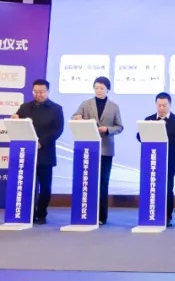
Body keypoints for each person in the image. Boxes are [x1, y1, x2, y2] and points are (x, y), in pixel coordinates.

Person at [71, 76, 123, 225]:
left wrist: (107, 129)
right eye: (96, 88)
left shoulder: (113, 106)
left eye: (101, 88)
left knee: (103, 183)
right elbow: (74, 117)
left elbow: (119, 127)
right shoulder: (86, 104)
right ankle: (86, 213)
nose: (98, 91)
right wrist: (78, 118)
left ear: (108, 89)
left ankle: (101, 216)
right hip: (88, 149)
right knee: (87, 182)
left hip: (106, 149)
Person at [12, 79, 64, 225]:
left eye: (41, 92)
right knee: (27, 184)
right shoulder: (25, 107)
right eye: (35, 92)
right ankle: (28, 212)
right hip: (27, 152)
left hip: (45, 151)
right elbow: (17, 124)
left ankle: (41, 213)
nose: (38, 95)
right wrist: (14, 118)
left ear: (48, 91)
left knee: (45, 186)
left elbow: (57, 130)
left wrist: (41, 142)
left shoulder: (56, 109)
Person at [137, 92, 175, 226]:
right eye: (159, 105)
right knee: (151, 188)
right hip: (152, 162)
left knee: (167, 189)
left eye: (164, 105)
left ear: (170, 105)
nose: (161, 108)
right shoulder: (149, 120)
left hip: (169, 161)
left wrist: (165, 138)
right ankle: (150, 213)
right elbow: (139, 136)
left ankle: (167, 216)